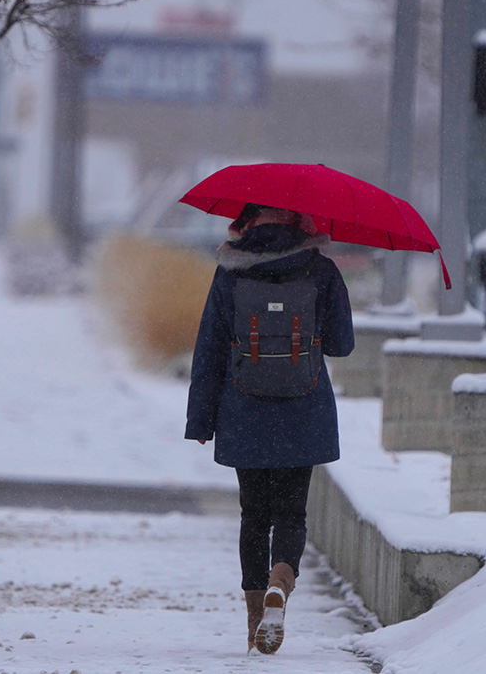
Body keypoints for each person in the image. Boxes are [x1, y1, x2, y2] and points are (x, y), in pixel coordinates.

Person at [185, 203, 354, 655]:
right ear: (304, 223)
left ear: (245, 223)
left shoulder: (230, 272)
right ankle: (283, 580)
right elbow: (343, 344)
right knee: (292, 513)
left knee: (254, 515)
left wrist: (201, 419)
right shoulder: (321, 271)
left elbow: (210, 349)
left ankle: (256, 615)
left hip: (245, 406)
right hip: (304, 405)